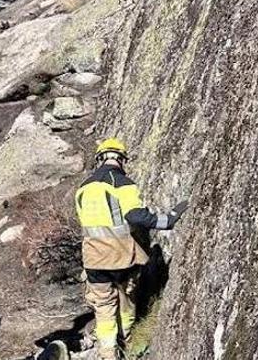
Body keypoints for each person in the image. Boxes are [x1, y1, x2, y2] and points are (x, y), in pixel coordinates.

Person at [75, 138, 189, 360]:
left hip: (92, 260)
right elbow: (135, 215)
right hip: (120, 257)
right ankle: (126, 342)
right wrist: (169, 219)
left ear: (100, 159)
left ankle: (108, 353)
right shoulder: (121, 183)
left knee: (103, 308)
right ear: (121, 159)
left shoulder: (82, 189)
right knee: (126, 302)